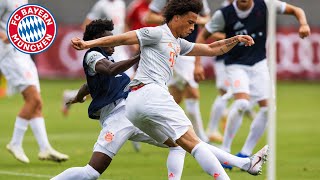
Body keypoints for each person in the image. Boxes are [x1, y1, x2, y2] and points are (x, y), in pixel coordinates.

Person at [71, 0, 269, 179]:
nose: (193, 27)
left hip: (133, 105)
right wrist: (88, 43)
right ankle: (238, 169)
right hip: (151, 94)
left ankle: (245, 163)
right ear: (176, 18)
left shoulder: (178, 43)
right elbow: (122, 39)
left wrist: (235, 39)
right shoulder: (156, 33)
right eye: (190, 22)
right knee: (194, 142)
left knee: (179, 144)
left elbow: (210, 49)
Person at [199, 0, 310, 169]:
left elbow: (297, 9)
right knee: (242, 103)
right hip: (235, 65)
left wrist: (303, 24)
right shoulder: (225, 13)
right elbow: (203, 35)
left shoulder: (266, 4)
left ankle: (245, 152)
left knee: (269, 109)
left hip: (259, 64)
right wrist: (197, 63)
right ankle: (225, 151)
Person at [0, 0, 69, 163]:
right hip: (9, 55)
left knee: (37, 104)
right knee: (33, 99)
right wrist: (3, 35)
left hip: (24, 53)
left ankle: (45, 148)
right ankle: (15, 143)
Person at [144, 0, 211, 142]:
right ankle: (202, 139)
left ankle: (140, 128)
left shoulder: (200, 2)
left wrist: (193, 20)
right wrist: (174, 19)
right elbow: (148, 17)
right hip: (170, 45)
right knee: (192, 92)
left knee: (175, 98)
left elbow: (208, 21)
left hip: (188, 48)